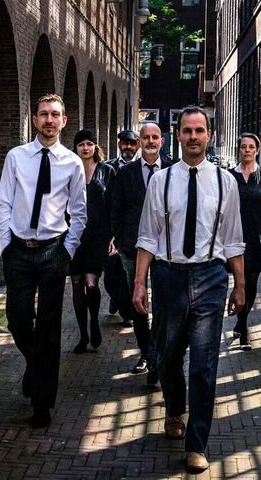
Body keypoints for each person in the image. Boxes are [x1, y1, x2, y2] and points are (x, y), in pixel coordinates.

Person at [132, 106, 245, 474]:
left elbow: (233, 239)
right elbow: (148, 236)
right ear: (177, 135)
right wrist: (140, 283)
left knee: (204, 363)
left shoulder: (226, 182)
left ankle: (197, 444)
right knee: (166, 355)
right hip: (168, 276)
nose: (193, 137)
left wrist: (240, 285)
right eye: (187, 131)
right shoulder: (160, 181)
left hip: (211, 276)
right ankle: (174, 407)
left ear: (209, 135)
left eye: (199, 130)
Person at [0, 94, 87, 428]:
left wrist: (67, 251)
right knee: (18, 319)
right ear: (34, 119)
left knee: (48, 328)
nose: (49, 120)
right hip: (19, 250)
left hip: (53, 251)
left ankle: (42, 403)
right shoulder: (16, 157)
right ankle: (35, 367)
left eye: (55, 115)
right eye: (44, 114)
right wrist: (6, 245)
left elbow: (79, 212)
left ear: (64, 121)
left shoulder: (72, 163)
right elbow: (4, 202)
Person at [110, 122, 172, 381]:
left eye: (155, 137)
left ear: (162, 141)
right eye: (146, 137)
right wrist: (121, 239)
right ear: (139, 142)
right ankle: (146, 352)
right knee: (138, 301)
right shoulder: (126, 173)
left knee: (162, 302)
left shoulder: (173, 171)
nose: (150, 141)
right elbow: (116, 209)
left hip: (165, 248)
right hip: (132, 247)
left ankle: (156, 353)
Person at [228, 133, 261, 351]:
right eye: (243, 147)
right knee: (239, 280)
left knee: (250, 283)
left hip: (257, 236)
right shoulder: (229, 176)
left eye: (251, 147)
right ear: (239, 150)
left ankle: (242, 324)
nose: (247, 150)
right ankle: (242, 325)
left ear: (257, 150)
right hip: (235, 236)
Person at [68, 129, 115, 354]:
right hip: (74, 236)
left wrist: (113, 235)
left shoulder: (107, 172)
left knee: (91, 283)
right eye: (81, 144)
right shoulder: (69, 170)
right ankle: (82, 335)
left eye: (89, 144)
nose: (85, 148)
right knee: (77, 285)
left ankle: (94, 321)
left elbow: (114, 205)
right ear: (75, 148)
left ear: (95, 147)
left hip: (98, 235)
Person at [104, 129, 141, 325]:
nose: (128, 147)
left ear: (137, 145)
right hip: (110, 228)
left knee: (128, 274)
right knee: (110, 274)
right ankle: (115, 297)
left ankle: (127, 313)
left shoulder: (140, 169)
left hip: (129, 232)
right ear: (119, 145)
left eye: (132, 143)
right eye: (125, 143)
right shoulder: (108, 168)